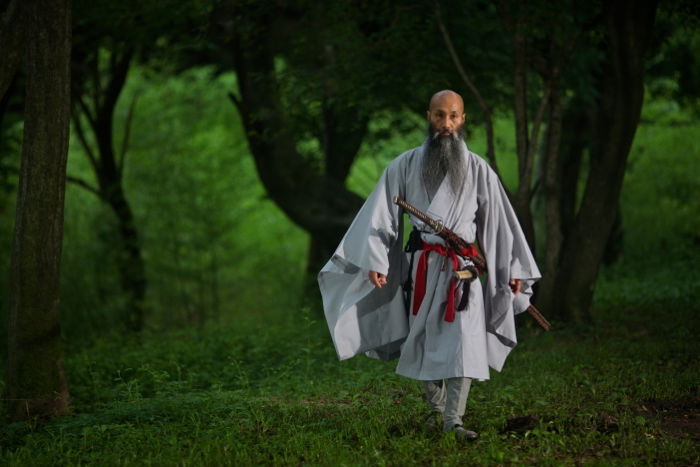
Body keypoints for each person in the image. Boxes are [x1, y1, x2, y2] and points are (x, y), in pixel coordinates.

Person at [318, 90, 540, 441]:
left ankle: (454, 420)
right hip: (420, 267)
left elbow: (499, 225)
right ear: (429, 117)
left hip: (462, 271)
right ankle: (435, 409)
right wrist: (376, 261)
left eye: (453, 116)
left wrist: (510, 270)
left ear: (463, 119)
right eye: (439, 116)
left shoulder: (479, 170)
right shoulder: (404, 166)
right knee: (419, 338)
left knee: (463, 341)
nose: (446, 124)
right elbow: (380, 217)